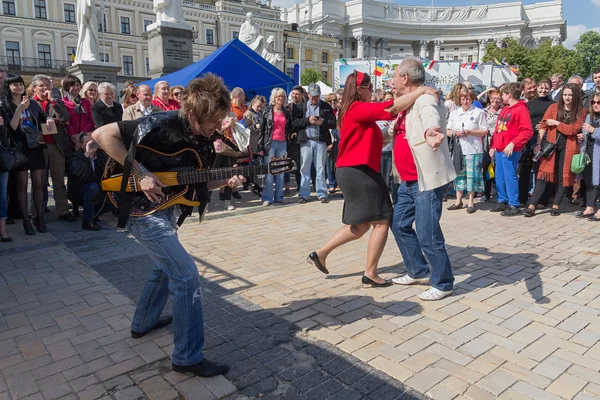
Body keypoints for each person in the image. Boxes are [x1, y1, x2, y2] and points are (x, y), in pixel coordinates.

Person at [92, 73, 240, 378]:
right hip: (139, 208)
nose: (217, 126)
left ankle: (142, 322)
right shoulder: (160, 123)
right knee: (186, 276)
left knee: (165, 267)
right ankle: (187, 357)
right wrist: (142, 173)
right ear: (193, 113)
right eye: (213, 120)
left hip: (166, 208)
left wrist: (226, 179)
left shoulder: (203, 141)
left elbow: (197, 182)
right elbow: (101, 135)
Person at [307, 70, 438, 288]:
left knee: (359, 226)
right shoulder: (357, 108)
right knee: (382, 221)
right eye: (369, 87)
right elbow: (391, 108)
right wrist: (422, 90)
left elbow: (376, 138)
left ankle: (320, 254)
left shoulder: (354, 110)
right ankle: (370, 274)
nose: (372, 92)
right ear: (360, 89)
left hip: (353, 170)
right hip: (359, 171)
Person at [388, 59, 456, 301]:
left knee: (428, 233)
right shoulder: (406, 104)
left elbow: (429, 116)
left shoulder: (425, 99)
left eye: (395, 76)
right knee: (399, 225)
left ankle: (443, 283)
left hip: (425, 180)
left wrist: (431, 131)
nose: (392, 81)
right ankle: (418, 271)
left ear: (405, 78)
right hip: (406, 181)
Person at [0, 73, 55, 235]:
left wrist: (50, 120)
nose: (18, 87)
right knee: (22, 186)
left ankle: (40, 218)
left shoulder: (32, 103)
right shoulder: (4, 104)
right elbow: (11, 129)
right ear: (8, 87)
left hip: (35, 146)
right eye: (14, 84)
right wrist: (18, 110)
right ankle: (26, 220)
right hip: (18, 148)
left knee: (39, 184)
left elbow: (44, 118)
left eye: (20, 84)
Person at [523, 83, 587, 217]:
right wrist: (538, 144)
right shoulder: (553, 108)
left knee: (562, 177)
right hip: (550, 146)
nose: (567, 98)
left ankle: (556, 205)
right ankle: (532, 206)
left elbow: (573, 130)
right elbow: (543, 126)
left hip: (569, 148)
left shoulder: (581, 111)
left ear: (575, 96)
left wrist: (557, 123)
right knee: (542, 175)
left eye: (570, 95)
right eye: (565, 95)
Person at [30, 74, 77, 222]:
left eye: (47, 85)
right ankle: (36, 212)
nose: (45, 88)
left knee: (59, 181)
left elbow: (65, 118)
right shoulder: (31, 103)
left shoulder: (57, 102)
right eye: (41, 85)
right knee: (39, 182)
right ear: (34, 88)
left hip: (56, 146)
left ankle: (63, 211)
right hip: (39, 146)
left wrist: (53, 103)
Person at [488, 83, 533, 216]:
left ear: (509, 94)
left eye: (502, 94)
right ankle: (503, 200)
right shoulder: (505, 108)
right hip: (500, 148)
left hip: (510, 149)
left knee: (510, 176)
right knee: (500, 176)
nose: (501, 96)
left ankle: (514, 204)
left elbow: (527, 131)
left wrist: (513, 144)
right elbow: (498, 130)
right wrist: (493, 146)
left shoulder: (521, 110)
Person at [446, 86, 488, 213]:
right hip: (459, 149)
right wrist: (455, 133)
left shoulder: (479, 112)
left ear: (472, 99)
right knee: (459, 175)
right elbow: (447, 130)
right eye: (463, 99)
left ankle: (471, 201)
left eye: (467, 99)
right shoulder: (454, 113)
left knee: (472, 176)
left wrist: (471, 132)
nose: (465, 101)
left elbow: (484, 130)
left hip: (473, 149)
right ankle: (458, 200)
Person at [292, 83, 336, 203]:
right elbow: (295, 123)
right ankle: (304, 194)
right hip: (306, 141)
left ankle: (322, 194)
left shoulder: (326, 106)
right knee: (304, 168)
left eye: (316, 96)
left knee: (320, 168)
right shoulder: (301, 106)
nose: (314, 98)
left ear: (320, 95)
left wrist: (323, 122)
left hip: (320, 141)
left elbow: (333, 123)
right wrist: (308, 120)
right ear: (307, 94)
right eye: (312, 96)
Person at [519, 79, 554, 206]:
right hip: (529, 138)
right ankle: (522, 198)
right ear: (537, 88)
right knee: (524, 169)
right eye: (541, 87)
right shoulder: (529, 104)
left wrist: (545, 126)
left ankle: (542, 200)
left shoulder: (553, 104)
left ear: (550, 89)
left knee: (542, 169)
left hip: (545, 140)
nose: (543, 90)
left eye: (546, 88)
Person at [67, 133, 107, 231]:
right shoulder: (76, 157)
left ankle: (96, 213)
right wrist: (87, 155)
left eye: (92, 142)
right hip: (79, 191)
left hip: (99, 189)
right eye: (87, 142)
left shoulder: (101, 155)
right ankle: (87, 222)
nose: (91, 144)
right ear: (81, 145)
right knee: (92, 187)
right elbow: (79, 172)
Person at [259, 88, 292, 206]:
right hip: (270, 143)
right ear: (274, 98)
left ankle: (279, 197)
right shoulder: (267, 111)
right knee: (269, 171)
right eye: (278, 96)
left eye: (282, 96)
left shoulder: (286, 111)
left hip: (282, 143)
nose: (280, 99)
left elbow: (289, 127)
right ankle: (267, 197)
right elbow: (262, 130)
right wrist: (260, 147)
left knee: (281, 171)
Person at [579, 92, 600, 220]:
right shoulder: (589, 117)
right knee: (589, 180)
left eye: (598, 102)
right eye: (593, 102)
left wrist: (593, 131)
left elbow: (593, 132)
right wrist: (582, 137)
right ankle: (590, 206)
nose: (596, 105)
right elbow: (585, 134)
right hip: (588, 152)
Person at [62, 74, 95, 146]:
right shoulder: (63, 102)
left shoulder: (86, 101)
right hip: (70, 138)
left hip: (85, 137)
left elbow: (91, 120)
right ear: (67, 87)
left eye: (77, 85)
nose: (76, 87)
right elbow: (65, 121)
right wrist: (73, 135)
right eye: (72, 85)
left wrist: (82, 134)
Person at [482, 89, 502, 201]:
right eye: (493, 98)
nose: (495, 100)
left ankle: (499, 192)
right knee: (486, 168)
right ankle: (486, 193)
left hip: (497, 143)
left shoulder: (502, 112)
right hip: (485, 143)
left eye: (498, 98)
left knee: (497, 168)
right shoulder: (483, 111)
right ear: (489, 98)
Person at [0, 113, 10, 242]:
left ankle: (3, 231)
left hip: (2, 161)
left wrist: (2, 127)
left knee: (2, 194)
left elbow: (8, 138)